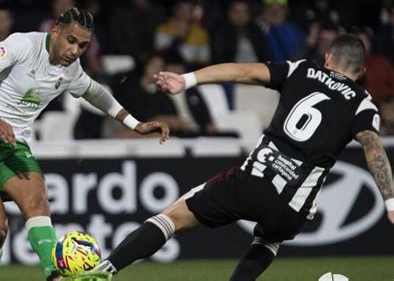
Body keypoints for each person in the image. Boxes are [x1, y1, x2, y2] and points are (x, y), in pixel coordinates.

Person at [82, 34, 394, 280]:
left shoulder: (302, 70)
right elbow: (372, 146)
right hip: (293, 204)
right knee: (269, 240)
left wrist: (186, 79)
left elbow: (243, 71)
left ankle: (105, 271)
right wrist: (391, 201)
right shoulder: (363, 104)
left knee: (171, 218)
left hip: (253, 179)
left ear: (327, 58)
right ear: (361, 72)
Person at [0, 7, 169, 281]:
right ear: (55, 32)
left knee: (37, 201)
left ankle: (55, 275)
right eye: (71, 41)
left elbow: (95, 92)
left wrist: (135, 124)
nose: (75, 51)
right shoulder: (22, 45)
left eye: (83, 45)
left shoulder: (71, 69)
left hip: (13, 146)